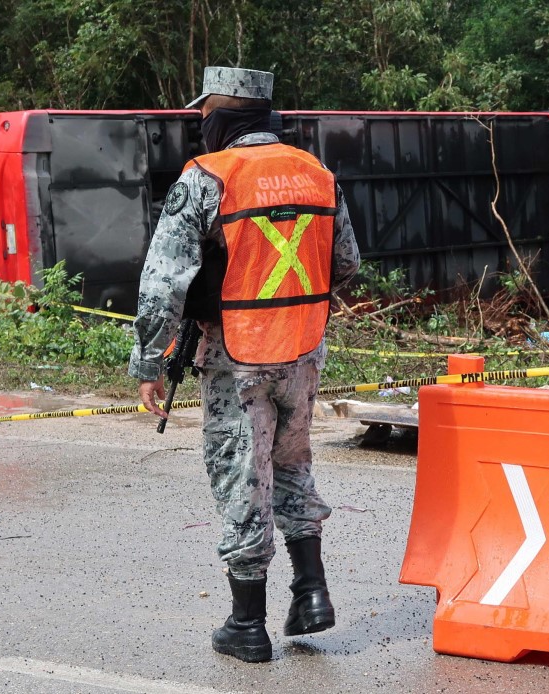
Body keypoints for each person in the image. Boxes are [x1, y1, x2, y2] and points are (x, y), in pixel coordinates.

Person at [129, 66, 361, 663]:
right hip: (303, 351)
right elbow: (348, 263)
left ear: (222, 117)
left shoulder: (208, 177)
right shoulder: (317, 174)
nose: (200, 125)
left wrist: (148, 360)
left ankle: (248, 625)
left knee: (241, 477)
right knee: (292, 466)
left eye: (204, 115)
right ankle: (311, 593)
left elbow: (163, 282)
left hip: (237, 357)